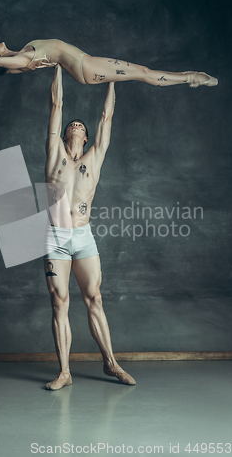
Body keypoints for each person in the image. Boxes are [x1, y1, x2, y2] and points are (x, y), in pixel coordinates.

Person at [43, 64, 136, 391]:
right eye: (73, 124)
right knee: (60, 301)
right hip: (56, 238)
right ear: (67, 133)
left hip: (83, 236)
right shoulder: (55, 155)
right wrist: (57, 65)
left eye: (82, 125)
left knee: (94, 298)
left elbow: (106, 117)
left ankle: (111, 363)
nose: (78, 125)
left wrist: (111, 79)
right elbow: (57, 105)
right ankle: (65, 372)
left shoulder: (94, 158)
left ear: (86, 135)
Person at [0, 38, 218, 89]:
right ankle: (189, 78)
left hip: (85, 68)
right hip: (85, 67)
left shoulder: (17, 59)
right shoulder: (22, 58)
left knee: (141, 73)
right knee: (142, 73)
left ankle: (189, 77)